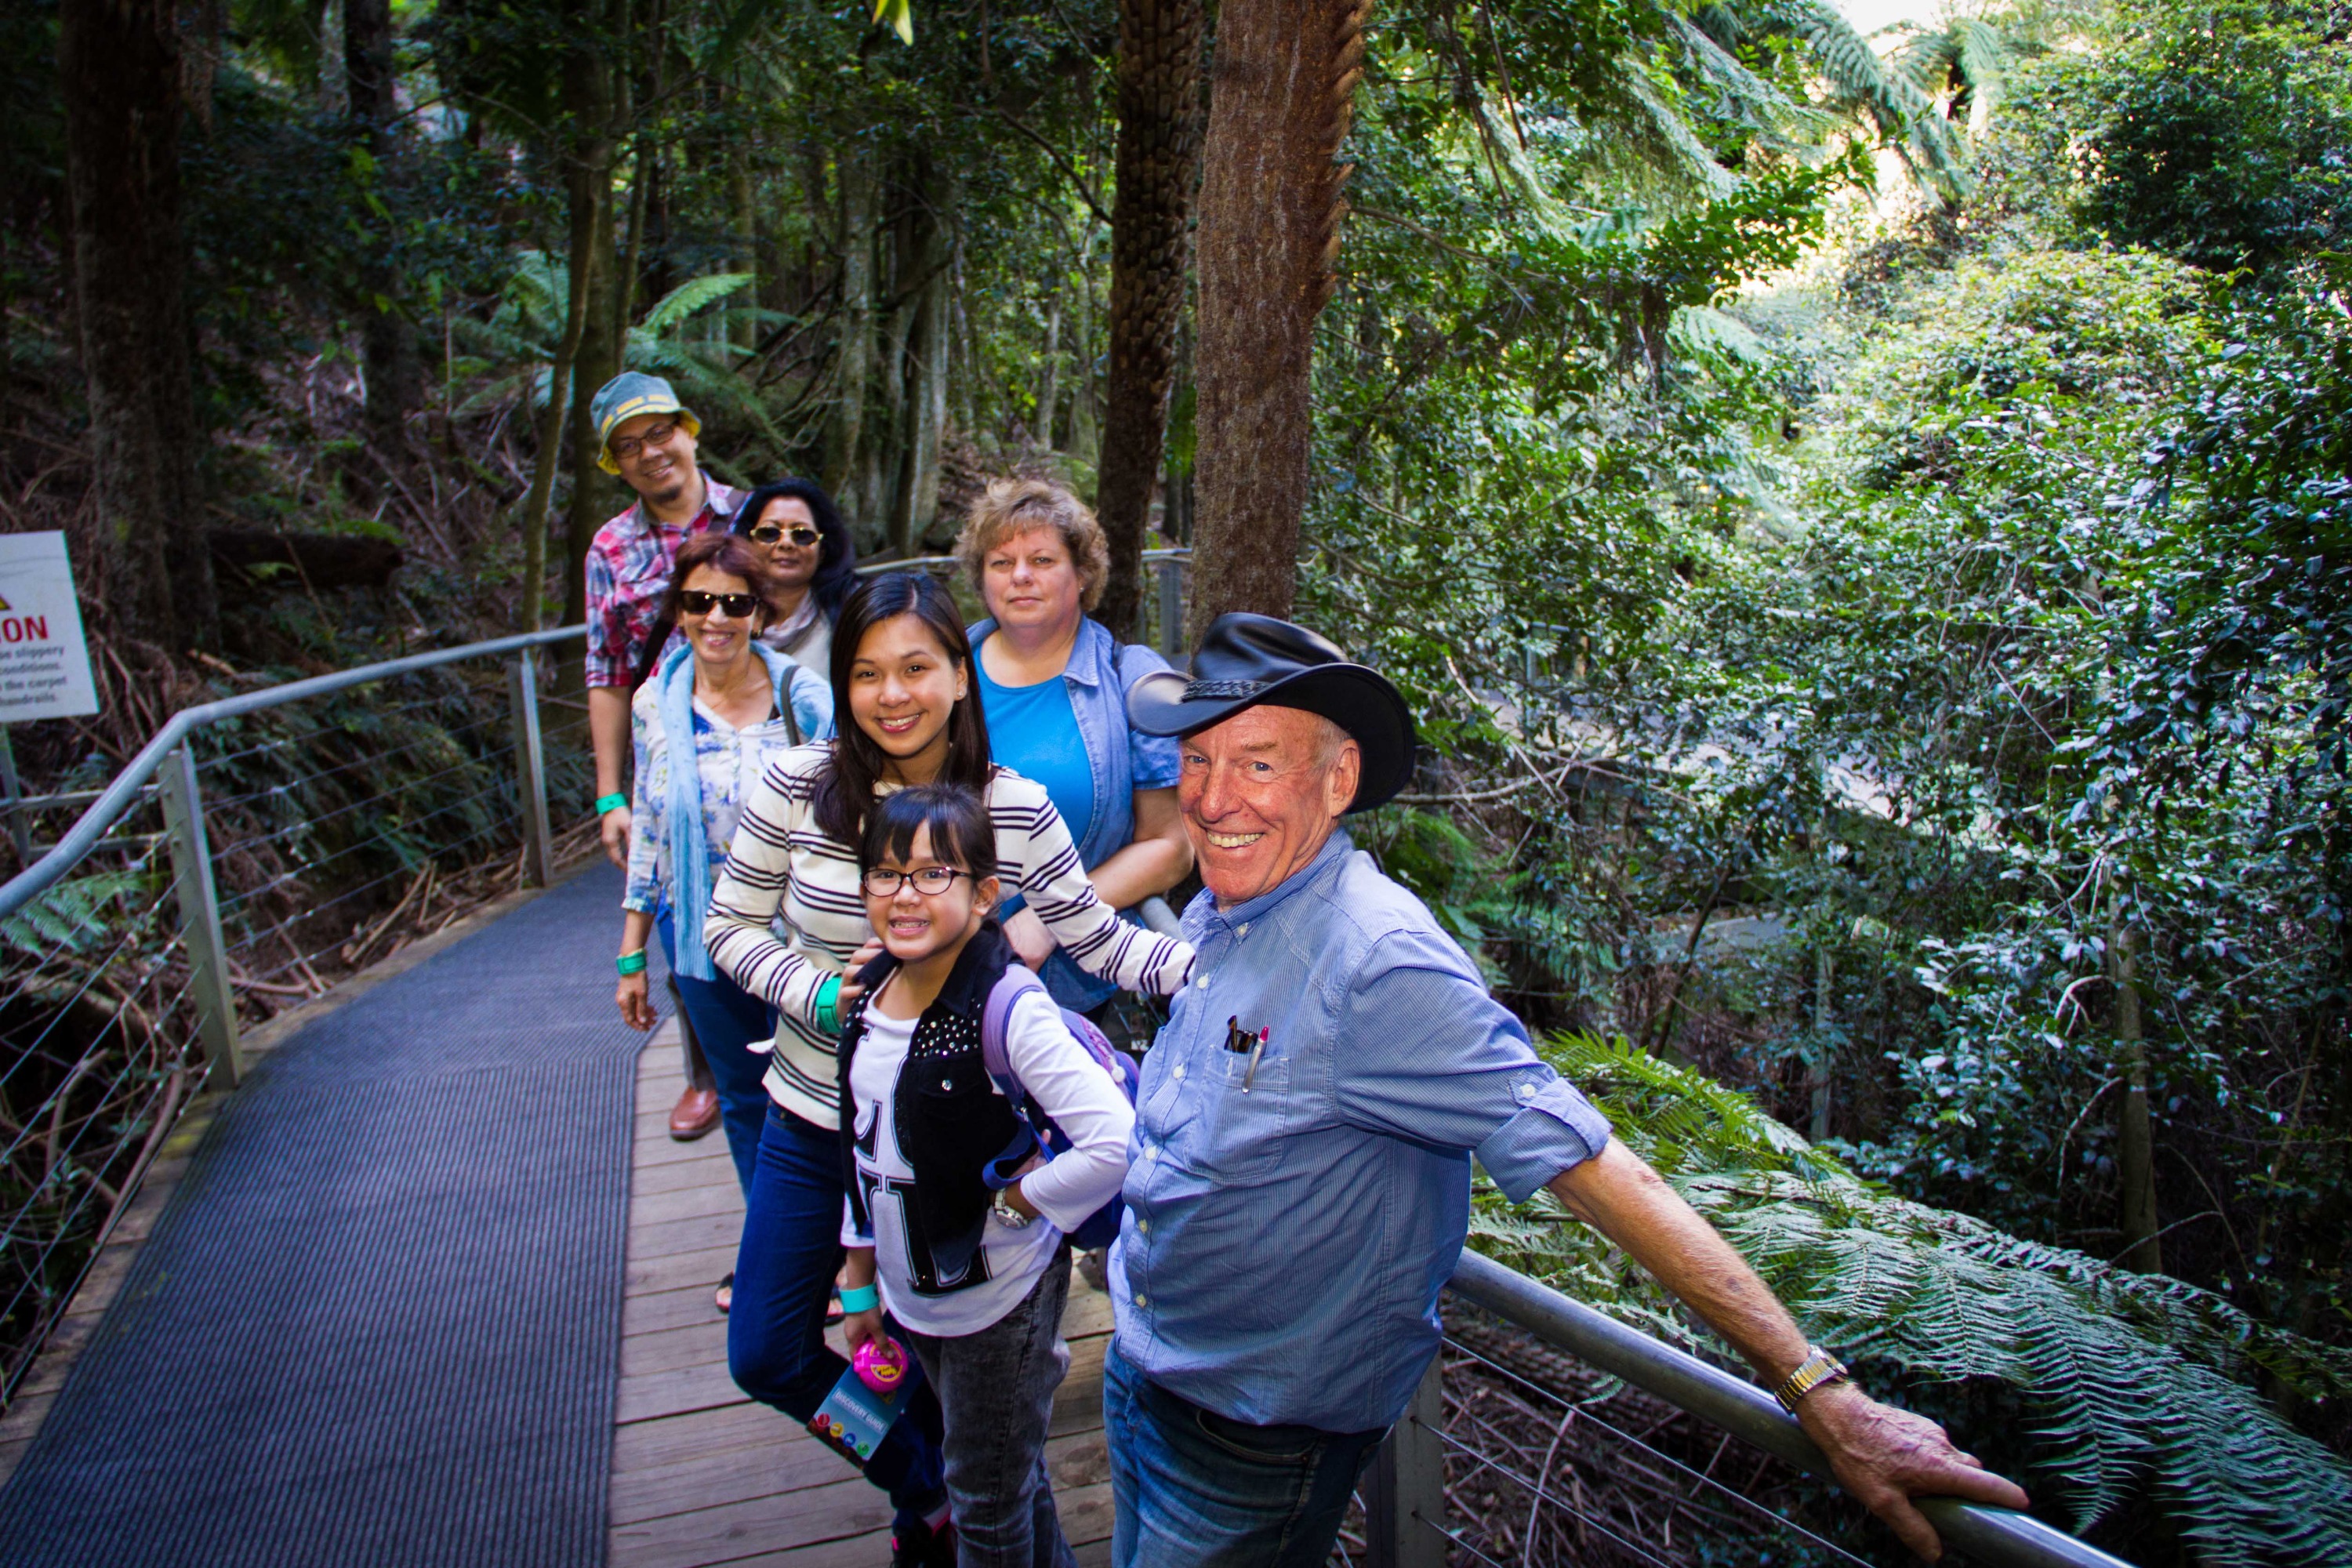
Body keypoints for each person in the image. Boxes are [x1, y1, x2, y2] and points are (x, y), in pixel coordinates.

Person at [1104, 613, 2034, 1568]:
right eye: (1198, 759)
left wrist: (1813, 1384)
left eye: (1258, 764)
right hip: (1143, 1371)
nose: (1214, 799)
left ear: (1338, 780)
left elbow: (1590, 1162)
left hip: (1246, 1439)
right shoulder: (1235, 905)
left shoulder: (1376, 963)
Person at [701, 571, 1192, 1567]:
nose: (893, 694)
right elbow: (730, 928)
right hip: (815, 1116)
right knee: (767, 1351)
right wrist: (828, 996)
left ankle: (963, 1511)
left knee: (962, 1371)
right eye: (868, 673)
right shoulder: (795, 786)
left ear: (959, 677)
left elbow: (1098, 941)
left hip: (956, 1140)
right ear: (840, 683)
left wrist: (1222, 977)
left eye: (917, 668)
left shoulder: (1008, 805)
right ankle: (919, 1482)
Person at [837, 785, 1131, 1568]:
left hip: (998, 1303)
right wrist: (860, 1280)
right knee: (1007, 1469)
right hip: (919, 1298)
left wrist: (1017, 1199)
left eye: (935, 873)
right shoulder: (867, 993)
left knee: (982, 1502)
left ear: (983, 893)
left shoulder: (1006, 1006)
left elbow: (1115, 1139)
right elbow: (864, 1146)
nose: (906, 893)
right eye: (886, 873)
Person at [614, 534, 834, 1316]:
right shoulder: (655, 701)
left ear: (759, 612)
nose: (717, 618)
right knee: (745, 1099)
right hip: (704, 939)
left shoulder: (802, 695)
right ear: (678, 608)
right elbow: (648, 819)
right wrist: (632, 948)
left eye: (735, 603)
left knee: (818, 1091)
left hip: (800, 937)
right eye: (700, 600)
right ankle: (771, 1254)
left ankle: (844, 1249)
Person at [956, 481, 1192, 1018]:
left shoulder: (1129, 680)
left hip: (1065, 987)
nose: (1020, 576)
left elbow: (1170, 847)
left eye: (1042, 559)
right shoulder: (940, 668)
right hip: (937, 965)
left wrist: (1051, 917)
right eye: (1001, 562)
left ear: (1082, 574)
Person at [581, 370, 744, 1143]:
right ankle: (707, 1069)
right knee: (684, 907)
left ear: (689, 429)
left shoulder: (752, 515)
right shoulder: (610, 548)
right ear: (617, 463)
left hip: (757, 738)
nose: (650, 453)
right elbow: (608, 671)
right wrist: (612, 793)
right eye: (629, 445)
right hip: (670, 755)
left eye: (658, 432)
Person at [733, 477, 859, 681]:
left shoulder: (852, 612)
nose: (786, 543)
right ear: (748, 543)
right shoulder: (726, 610)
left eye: (802, 535)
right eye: (770, 533)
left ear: (823, 550)